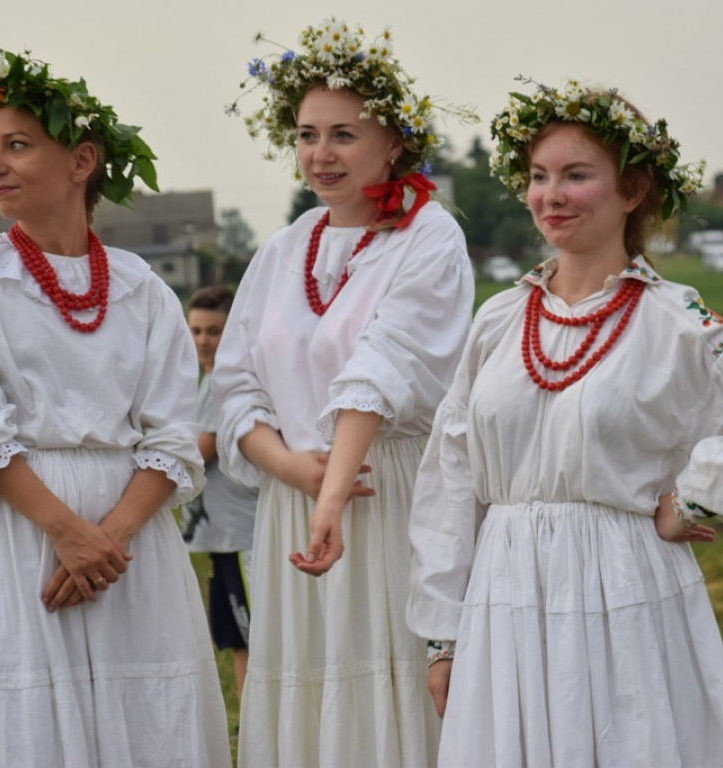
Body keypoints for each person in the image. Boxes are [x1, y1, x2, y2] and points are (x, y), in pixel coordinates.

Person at [406, 78, 723, 767]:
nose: (550, 195)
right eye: (538, 176)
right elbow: (449, 478)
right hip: (506, 594)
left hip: (622, 593)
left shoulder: (673, 319)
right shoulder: (498, 322)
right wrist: (444, 635)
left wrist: (696, 496)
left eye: (577, 176)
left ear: (633, 189)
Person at [0, 49, 230, 767]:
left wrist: (105, 539)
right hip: (9, 535)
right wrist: (64, 531)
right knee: (22, 722)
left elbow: (171, 433)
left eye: (17, 145)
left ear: (82, 160)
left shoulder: (142, 288)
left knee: (142, 717)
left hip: (126, 548)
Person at [215, 18, 478, 768]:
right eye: (305, 135)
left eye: (342, 134)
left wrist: (330, 490)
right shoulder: (282, 249)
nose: (320, 155)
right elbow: (234, 383)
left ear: (393, 140)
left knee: (390, 680)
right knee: (309, 685)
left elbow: (386, 363)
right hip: (293, 499)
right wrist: (291, 470)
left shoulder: (429, 237)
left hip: (385, 495)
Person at [180, 285, 258, 706]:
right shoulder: (205, 381)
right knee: (235, 638)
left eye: (214, 331)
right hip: (221, 537)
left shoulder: (223, 383)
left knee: (256, 634)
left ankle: (264, 727)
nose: (203, 341)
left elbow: (197, 455)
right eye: (195, 331)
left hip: (243, 535)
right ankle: (249, 728)